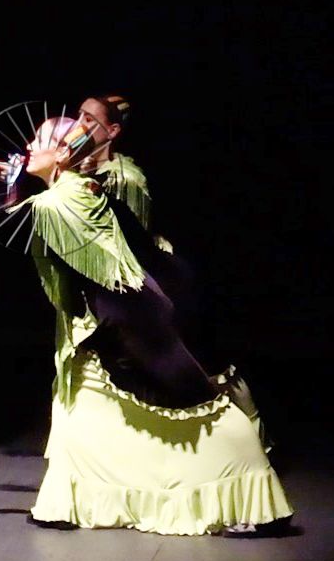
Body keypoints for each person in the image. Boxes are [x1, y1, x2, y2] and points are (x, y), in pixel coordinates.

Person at [0, 118, 293, 536]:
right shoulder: (82, 191)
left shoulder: (58, 203)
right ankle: (64, 504)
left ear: (63, 155)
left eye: (39, 139)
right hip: (118, 317)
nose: (29, 145)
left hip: (125, 321)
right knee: (80, 412)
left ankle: (263, 502)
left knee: (198, 409)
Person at [74, 94, 268, 448]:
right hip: (122, 285)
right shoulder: (86, 174)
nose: (79, 126)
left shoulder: (123, 179)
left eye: (90, 120)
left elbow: (132, 245)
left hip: (151, 281)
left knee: (188, 365)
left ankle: (240, 442)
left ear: (112, 131)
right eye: (78, 116)